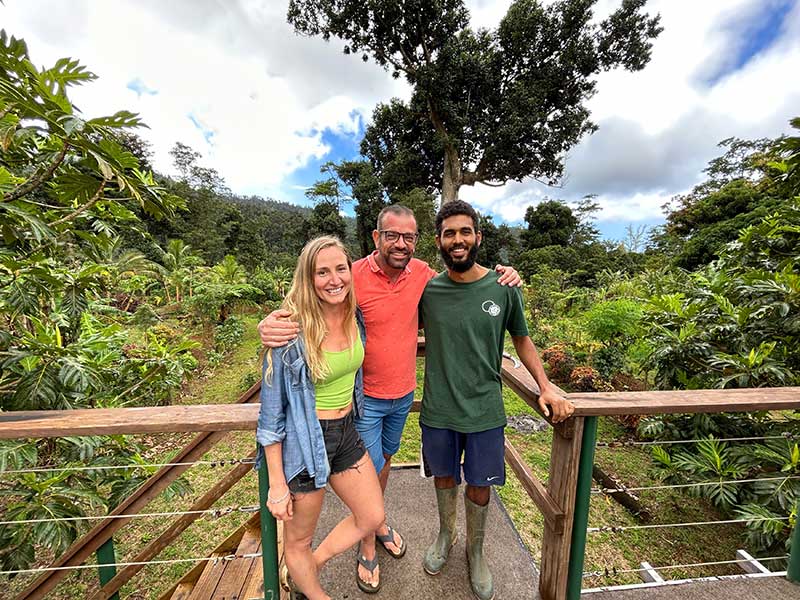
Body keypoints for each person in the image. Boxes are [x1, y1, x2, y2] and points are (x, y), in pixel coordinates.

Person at [258, 204, 521, 592]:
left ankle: (366, 531)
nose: (400, 244)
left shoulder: (423, 277)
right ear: (376, 237)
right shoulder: (351, 275)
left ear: (418, 242)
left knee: (384, 464)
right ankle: (367, 545)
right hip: (363, 399)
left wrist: (508, 273)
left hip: (402, 395)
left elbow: (463, 280)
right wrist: (267, 324)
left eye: (408, 237)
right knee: (374, 468)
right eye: (392, 236)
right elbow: (305, 307)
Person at [419, 200, 574, 600]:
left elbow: (522, 338)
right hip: (439, 407)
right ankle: (445, 535)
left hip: (486, 409)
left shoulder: (502, 288)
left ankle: (476, 550)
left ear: (478, 237)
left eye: (464, 232)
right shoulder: (429, 291)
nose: (458, 240)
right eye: (449, 233)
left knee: (481, 484)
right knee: (444, 475)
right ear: (439, 241)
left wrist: (546, 385)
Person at [256, 236, 385, 600]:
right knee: (297, 539)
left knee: (371, 516)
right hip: (304, 441)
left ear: (350, 271)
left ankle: (309, 565)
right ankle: (314, 592)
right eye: (322, 272)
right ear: (307, 278)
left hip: (345, 431)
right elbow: (270, 418)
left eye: (340, 269)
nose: (334, 279)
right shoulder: (290, 332)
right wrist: (277, 484)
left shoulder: (353, 314)